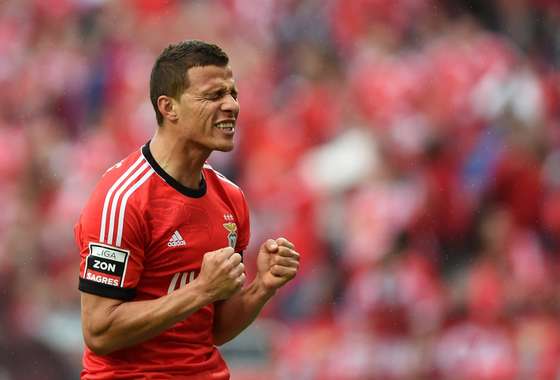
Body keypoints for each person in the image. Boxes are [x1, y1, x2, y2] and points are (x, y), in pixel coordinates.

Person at [75, 40, 300, 379]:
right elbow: (99, 331)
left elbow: (213, 329)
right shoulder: (123, 199)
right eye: (213, 96)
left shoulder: (231, 198)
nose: (231, 106)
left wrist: (262, 287)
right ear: (169, 107)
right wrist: (201, 289)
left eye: (233, 94)